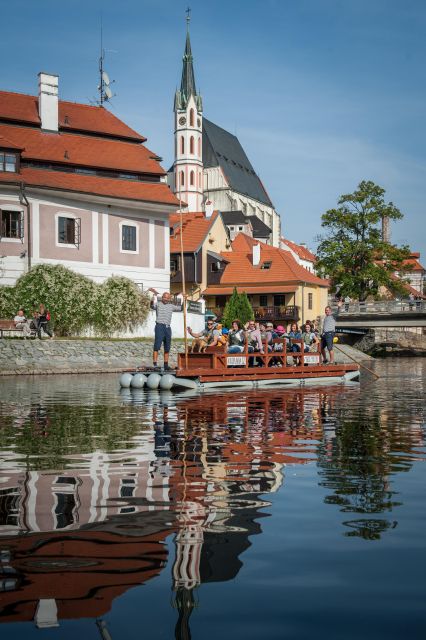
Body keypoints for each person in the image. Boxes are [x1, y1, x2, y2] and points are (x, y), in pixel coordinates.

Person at [149, 288, 183, 370]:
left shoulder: (171, 306)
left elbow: (181, 308)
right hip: (159, 326)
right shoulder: (158, 304)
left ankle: (166, 364)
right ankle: (155, 364)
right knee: (157, 345)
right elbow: (151, 306)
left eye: (168, 298)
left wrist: (184, 300)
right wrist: (152, 298)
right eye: (164, 297)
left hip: (167, 328)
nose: (166, 299)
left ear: (169, 299)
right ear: (162, 297)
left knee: (167, 346)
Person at [320, 300, 343, 364]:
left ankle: (331, 361)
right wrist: (322, 333)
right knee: (320, 348)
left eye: (327, 310)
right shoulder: (325, 317)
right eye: (325, 310)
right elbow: (325, 326)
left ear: (330, 310)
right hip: (324, 334)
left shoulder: (333, 315)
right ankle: (325, 359)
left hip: (330, 333)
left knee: (329, 348)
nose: (326, 311)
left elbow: (338, 312)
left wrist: (339, 307)